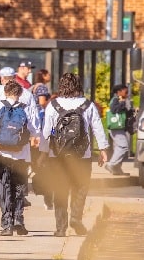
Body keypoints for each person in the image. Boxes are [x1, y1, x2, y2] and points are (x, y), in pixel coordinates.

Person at [41, 73, 110, 237]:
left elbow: (47, 131)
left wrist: (44, 153)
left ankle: (60, 228)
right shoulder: (88, 105)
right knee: (80, 188)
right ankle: (76, 219)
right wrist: (103, 150)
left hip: (57, 156)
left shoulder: (53, 105)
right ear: (78, 86)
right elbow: (97, 128)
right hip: (82, 156)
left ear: (61, 86)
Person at [0, 81, 41, 236]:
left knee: (4, 188)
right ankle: (19, 220)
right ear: (20, 94)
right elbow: (35, 130)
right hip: (21, 154)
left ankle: (7, 223)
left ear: (5, 92)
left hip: (1, 155)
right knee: (20, 187)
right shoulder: (26, 108)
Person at [106, 83, 134, 175]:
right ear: (119, 92)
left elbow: (125, 113)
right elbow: (114, 110)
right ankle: (111, 164)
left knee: (120, 148)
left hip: (120, 128)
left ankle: (117, 169)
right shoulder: (115, 100)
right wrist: (122, 102)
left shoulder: (121, 100)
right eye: (125, 92)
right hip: (116, 128)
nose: (127, 94)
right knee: (123, 146)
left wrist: (133, 111)